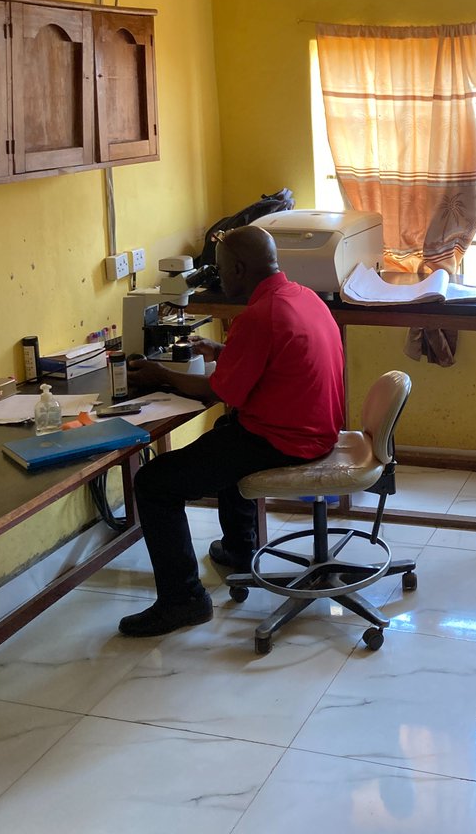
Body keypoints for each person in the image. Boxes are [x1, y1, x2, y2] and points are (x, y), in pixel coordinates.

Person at [118, 224, 345, 637]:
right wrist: (223, 351)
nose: (220, 279)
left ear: (240, 268)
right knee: (226, 431)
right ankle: (241, 549)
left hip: (286, 440)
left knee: (153, 482)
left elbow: (216, 391)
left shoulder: (260, 316)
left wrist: (158, 373)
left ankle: (183, 600)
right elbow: (274, 361)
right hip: (316, 428)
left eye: (222, 270)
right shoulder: (301, 296)